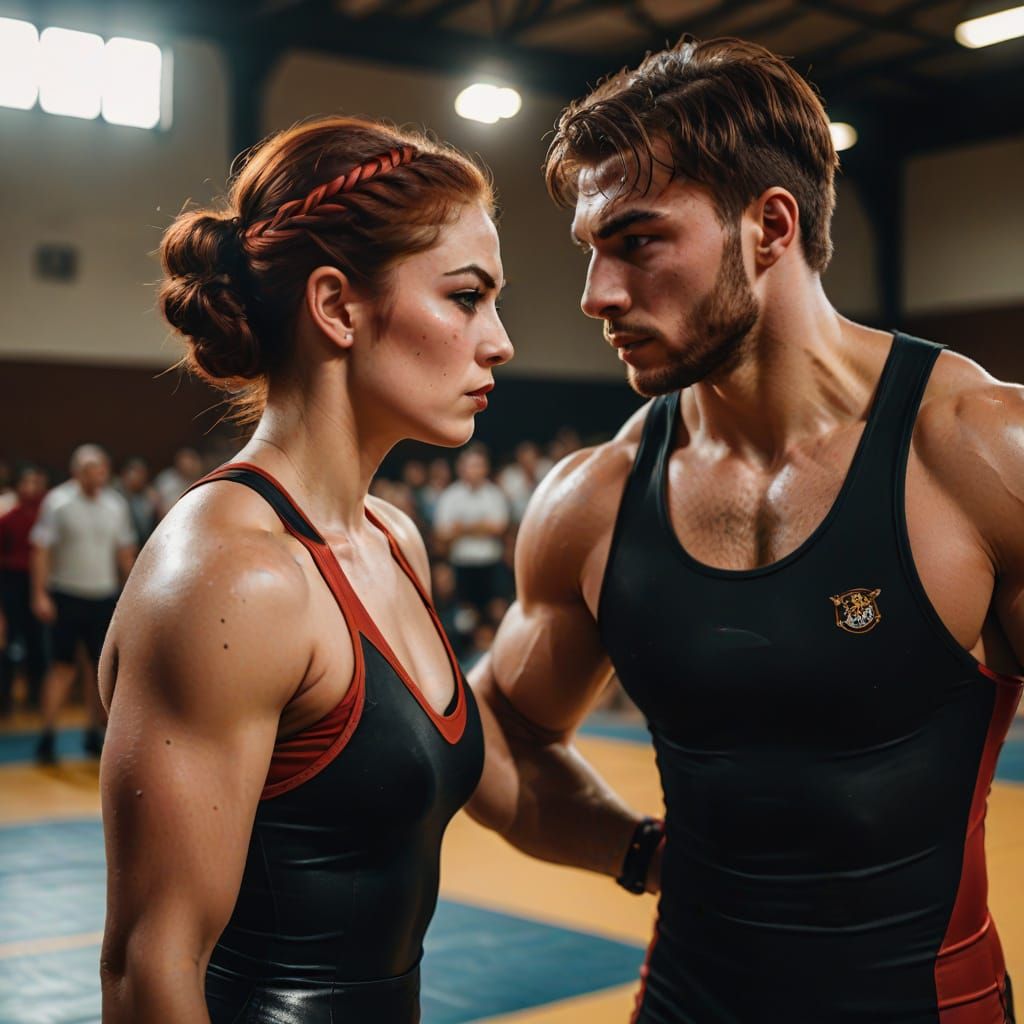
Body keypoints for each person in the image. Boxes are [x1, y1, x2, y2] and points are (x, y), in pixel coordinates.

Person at [467, 36, 1024, 1023]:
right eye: (590, 251)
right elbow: (496, 735)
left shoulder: (978, 456)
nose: (597, 294)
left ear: (770, 225)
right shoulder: (591, 500)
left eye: (637, 241)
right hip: (684, 1002)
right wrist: (637, 854)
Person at [98, 116, 512, 1024]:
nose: (500, 341)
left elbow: (497, 768)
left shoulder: (395, 539)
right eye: (467, 297)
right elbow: (148, 970)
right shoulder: (233, 579)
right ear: (336, 307)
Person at [31, 445, 135, 762]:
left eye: (100, 467)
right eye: (89, 468)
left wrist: (132, 594)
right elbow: (41, 550)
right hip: (66, 595)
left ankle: (94, 732)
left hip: (102, 596)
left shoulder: (116, 505)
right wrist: (40, 593)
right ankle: (47, 735)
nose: (96, 473)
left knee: (97, 669)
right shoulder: (58, 503)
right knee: (62, 668)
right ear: (76, 471)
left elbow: (124, 552)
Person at [433, 445, 510, 614]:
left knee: (496, 611)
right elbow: (442, 533)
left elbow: (499, 528)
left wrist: (462, 529)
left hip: (490, 563)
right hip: (462, 564)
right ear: (461, 467)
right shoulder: (450, 496)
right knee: (465, 616)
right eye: (470, 465)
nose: (474, 470)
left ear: (486, 467)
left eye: (479, 465)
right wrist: (482, 526)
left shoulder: (494, 494)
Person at [0, 463, 48, 715]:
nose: (31, 488)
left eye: (36, 483)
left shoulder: (46, 516)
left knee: (37, 642)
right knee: (9, 644)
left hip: (37, 583)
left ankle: (35, 696)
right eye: (26, 482)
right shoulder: (7, 518)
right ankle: (5, 699)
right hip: (11, 583)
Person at [115, 456, 159, 547]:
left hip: (144, 544)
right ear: (125, 474)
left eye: (143, 474)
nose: (140, 477)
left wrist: (156, 505)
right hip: (122, 545)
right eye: (137, 472)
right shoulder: (116, 495)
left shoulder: (147, 495)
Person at [152, 446, 203, 517]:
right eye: (184, 462)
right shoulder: (166, 479)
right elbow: (157, 502)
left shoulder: (200, 481)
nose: (187, 466)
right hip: (168, 518)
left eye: (190, 461)